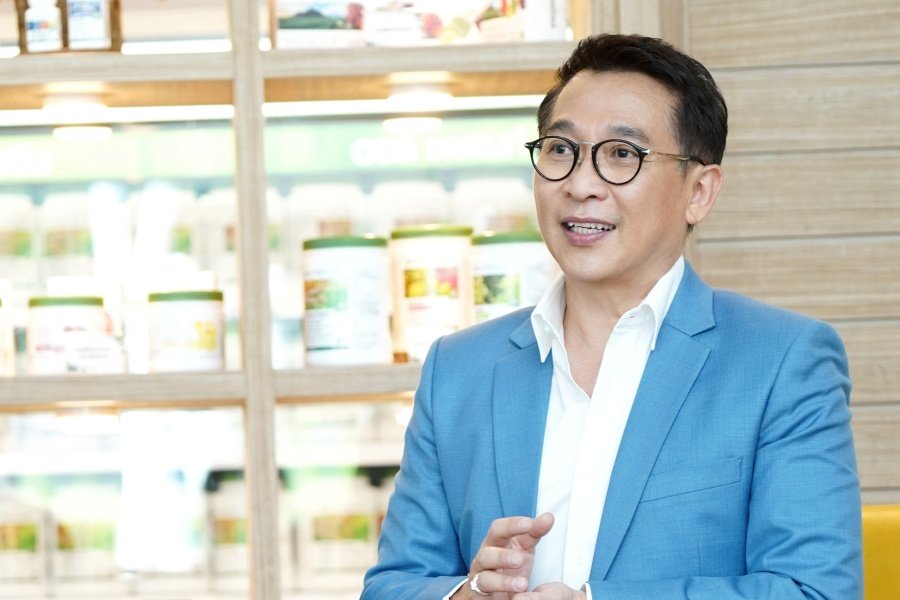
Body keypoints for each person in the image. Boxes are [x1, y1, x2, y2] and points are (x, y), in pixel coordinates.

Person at [361, 33, 862, 600]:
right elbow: (392, 586)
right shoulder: (457, 369)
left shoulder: (782, 361)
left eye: (622, 154)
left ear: (699, 191)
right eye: (560, 149)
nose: (580, 184)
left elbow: (813, 590)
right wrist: (466, 594)